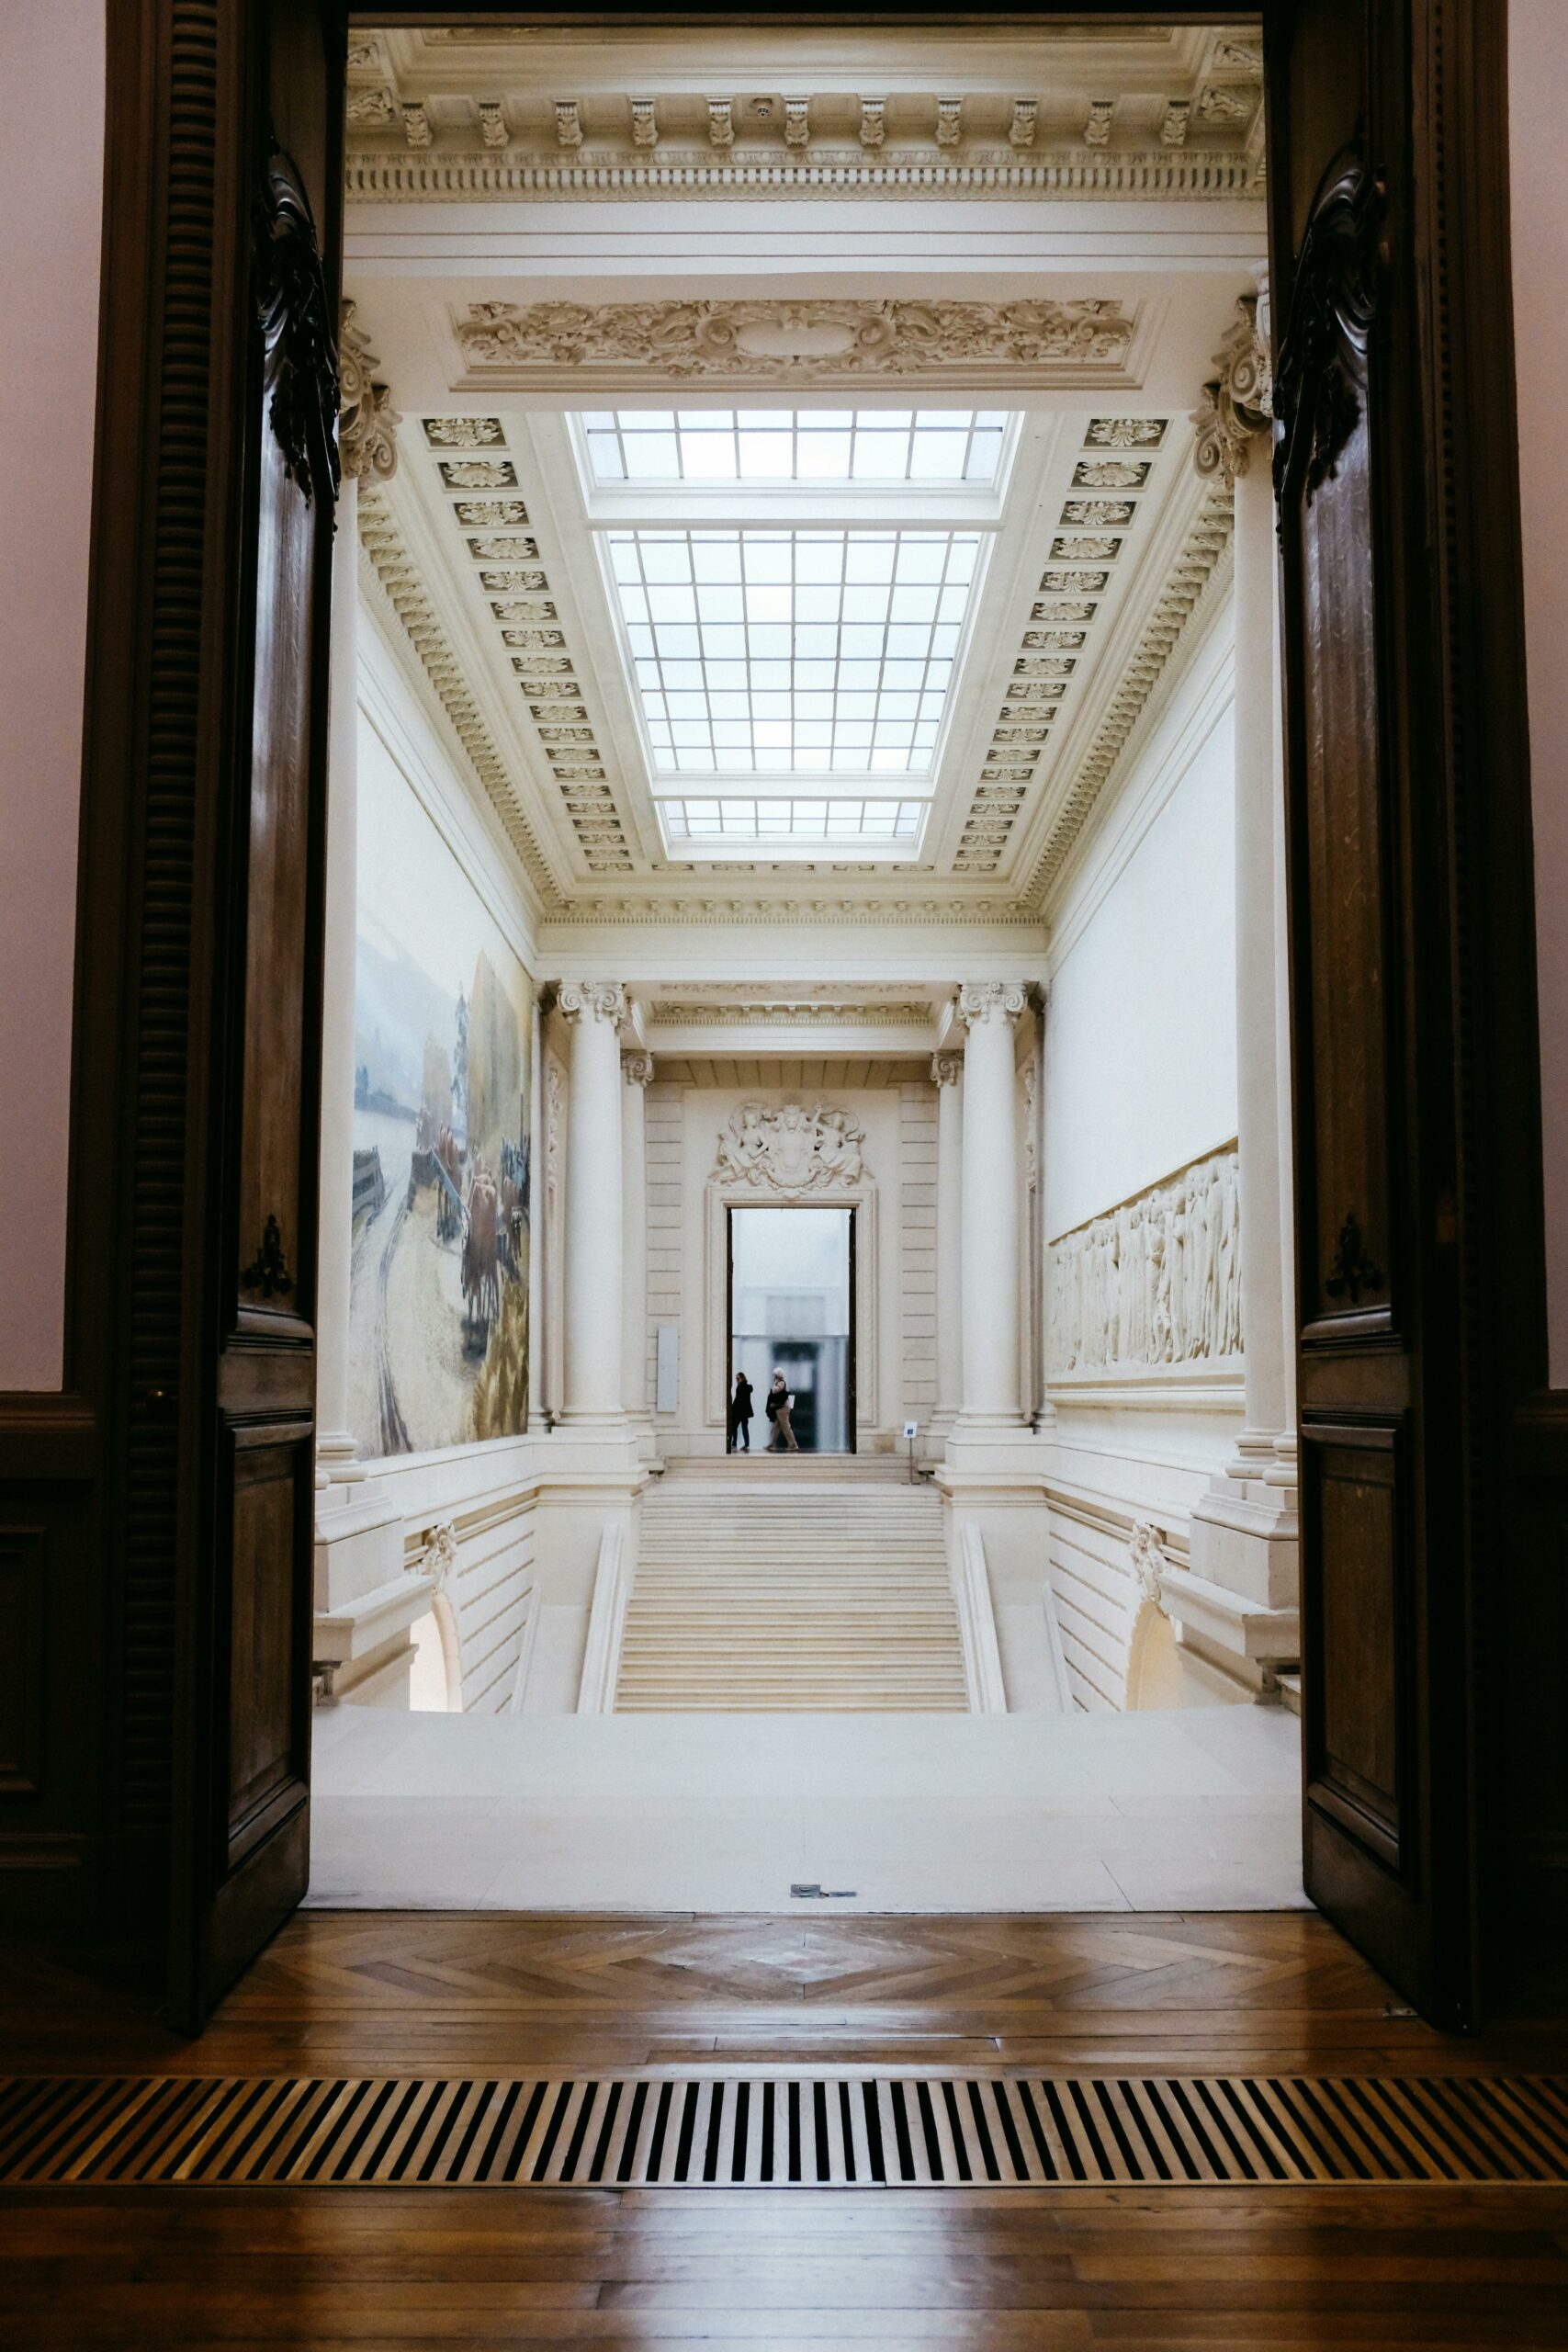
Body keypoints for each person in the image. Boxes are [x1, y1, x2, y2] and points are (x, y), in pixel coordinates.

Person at [765, 1371, 799, 1452]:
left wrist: (775, 1384)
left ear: (777, 1376)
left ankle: (793, 1445)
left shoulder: (781, 1383)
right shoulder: (782, 1383)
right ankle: (771, 1445)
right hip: (779, 1408)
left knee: (786, 1427)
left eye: (774, 1375)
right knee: (775, 1427)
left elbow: (774, 1391)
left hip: (782, 1408)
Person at [728, 1370, 754, 1453]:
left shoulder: (740, 1387)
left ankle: (734, 1443)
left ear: (741, 1378)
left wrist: (732, 1408)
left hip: (739, 1411)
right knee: (744, 1428)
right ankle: (746, 1445)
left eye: (737, 1378)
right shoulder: (747, 1387)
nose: (736, 1380)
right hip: (745, 1412)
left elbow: (738, 1399)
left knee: (734, 1426)